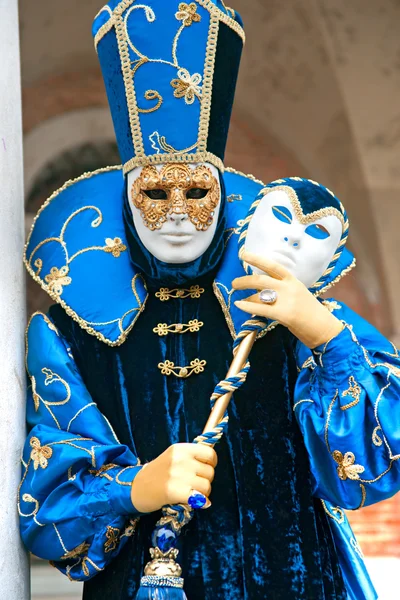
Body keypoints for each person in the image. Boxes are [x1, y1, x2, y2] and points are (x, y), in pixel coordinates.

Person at [19, 2, 400, 599]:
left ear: (225, 195)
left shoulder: (285, 302)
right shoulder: (69, 334)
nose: (175, 214)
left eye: (196, 191)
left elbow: (376, 463)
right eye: (154, 191)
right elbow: (46, 514)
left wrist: (319, 329)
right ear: (124, 196)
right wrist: (136, 487)